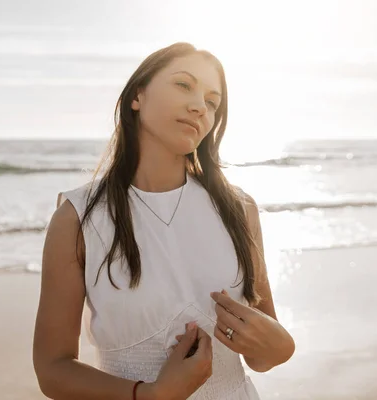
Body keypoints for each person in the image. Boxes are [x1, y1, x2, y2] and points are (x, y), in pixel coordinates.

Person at [33, 42, 295, 400]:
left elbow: (260, 354)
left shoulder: (238, 209)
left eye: (212, 102)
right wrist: (151, 395)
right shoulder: (79, 219)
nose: (199, 106)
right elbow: (53, 370)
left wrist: (281, 348)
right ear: (137, 95)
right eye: (183, 85)